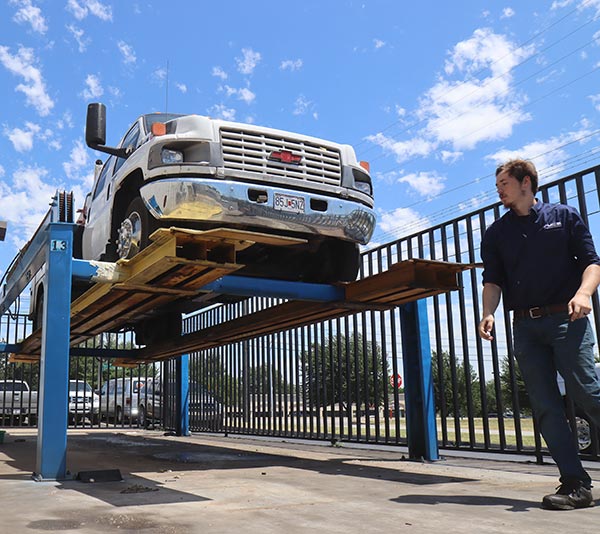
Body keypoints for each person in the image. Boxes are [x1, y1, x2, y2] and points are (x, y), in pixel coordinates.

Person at [478, 158, 600, 510]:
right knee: (546, 406)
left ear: (526, 182)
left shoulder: (563, 217)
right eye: (498, 183)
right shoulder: (497, 233)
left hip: (567, 319)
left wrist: (584, 293)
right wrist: (488, 312)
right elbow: (492, 280)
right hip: (525, 327)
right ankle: (575, 483)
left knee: (587, 392)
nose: (498, 189)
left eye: (504, 182)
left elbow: (592, 262)